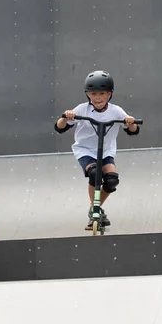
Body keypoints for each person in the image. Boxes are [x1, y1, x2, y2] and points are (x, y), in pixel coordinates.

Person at [54, 70, 140, 230]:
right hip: (85, 150)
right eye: (93, 94)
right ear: (88, 94)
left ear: (109, 94)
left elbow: (133, 130)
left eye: (102, 93)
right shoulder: (81, 109)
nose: (98, 98)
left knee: (112, 179)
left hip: (106, 151)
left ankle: (95, 208)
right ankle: (95, 210)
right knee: (95, 173)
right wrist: (65, 117)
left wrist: (130, 122)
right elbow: (59, 128)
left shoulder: (116, 111)